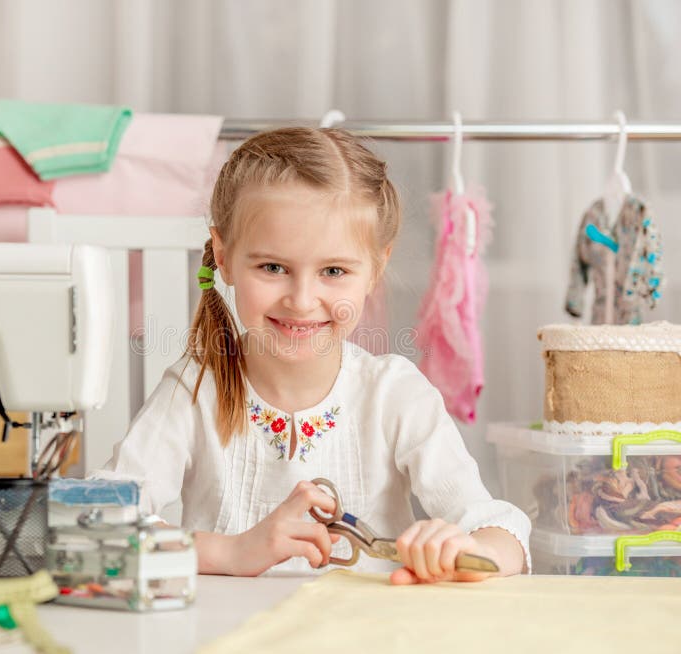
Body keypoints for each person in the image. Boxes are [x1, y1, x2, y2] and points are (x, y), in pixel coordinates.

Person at [93, 127, 530, 583]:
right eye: (273, 267)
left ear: (375, 269)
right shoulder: (194, 390)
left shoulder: (395, 394)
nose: (302, 300)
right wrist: (231, 551)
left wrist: (468, 548)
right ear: (223, 257)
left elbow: (502, 530)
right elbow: (95, 520)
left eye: (334, 271)